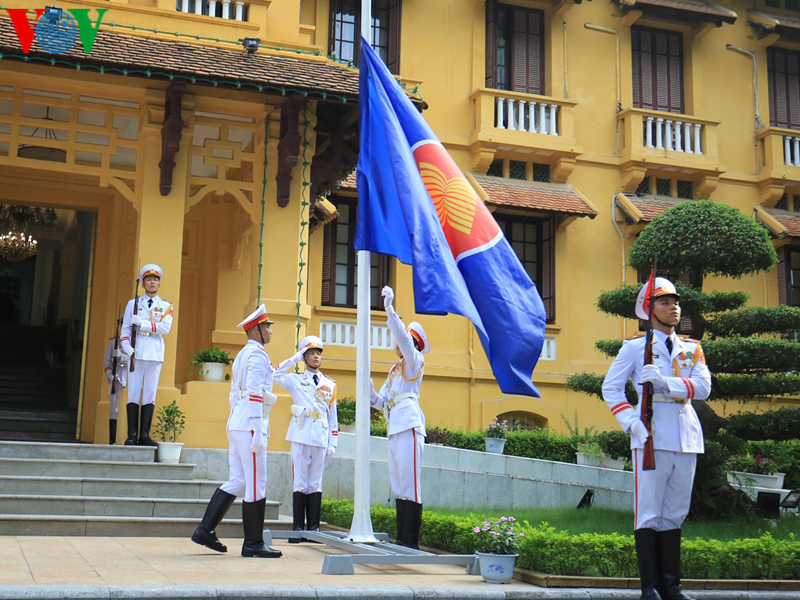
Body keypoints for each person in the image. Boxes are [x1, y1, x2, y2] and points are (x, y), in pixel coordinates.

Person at [602, 277, 711, 600]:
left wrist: (665, 382)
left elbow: (703, 388)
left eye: (675, 302)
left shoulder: (691, 349)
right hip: (650, 434)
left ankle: (672, 586)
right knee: (649, 512)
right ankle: (649, 587)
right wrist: (630, 421)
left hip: (686, 436)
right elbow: (610, 387)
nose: (674, 307)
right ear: (649, 310)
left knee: (675, 511)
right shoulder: (635, 348)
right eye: (665, 302)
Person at [191, 303, 282, 558]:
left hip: (237, 422)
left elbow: (235, 393)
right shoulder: (258, 355)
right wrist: (257, 427)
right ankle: (253, 543)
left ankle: (205, 530)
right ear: (256, 331)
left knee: (239, 480)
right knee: (256, 483)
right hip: (250, 424)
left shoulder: (244, 354)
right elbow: (255, 392)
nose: (270, 331)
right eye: (266, 326)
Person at [370, 285, 428, 550]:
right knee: (398, 483)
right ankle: (402, 539)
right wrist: (369, 391)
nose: (398, 343)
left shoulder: (415, 360)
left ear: (412, 342)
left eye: (403, 340)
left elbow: (403, 339)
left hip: (410, 424)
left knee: (410, 483)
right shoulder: (394, 370)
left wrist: (389, 310)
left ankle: (411, 542)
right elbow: (382, 402)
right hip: (395, 426)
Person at [273, 335, 338, 542]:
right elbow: (274, 374)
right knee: (300, 481)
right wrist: (294, 358)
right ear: (304, 356)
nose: (316, 356)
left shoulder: (329, 384)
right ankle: (298, 529)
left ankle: (314, 529)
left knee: (315, 483)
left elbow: (333, 417)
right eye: (311, 353)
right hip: (301, 434)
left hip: (320, 435)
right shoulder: (295, 379)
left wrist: (333, 442)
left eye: (318, 353)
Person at [120, 264, 174, 447]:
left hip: (154, 353)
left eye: (156, 280)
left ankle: (144, 434)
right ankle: (132, 434)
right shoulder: (132, 304)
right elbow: (126, 327)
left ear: (159, 284)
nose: (153, 282)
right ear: (143, 283)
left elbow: (164, 328)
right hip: (136, 351)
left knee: (150, 393)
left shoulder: (166, 306)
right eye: (149, 280)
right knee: (133, 392)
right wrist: (125, 344)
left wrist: (142, 323)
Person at [103, 315, 127, 445]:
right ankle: (112, 441)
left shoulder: (133, 343)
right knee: (114, 410)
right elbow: (107, 362)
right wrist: (110, 376)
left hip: (127, 377)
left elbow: (135, 361)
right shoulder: (113, 342)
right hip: (115, 377)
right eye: (122, 323)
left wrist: (122, 357)